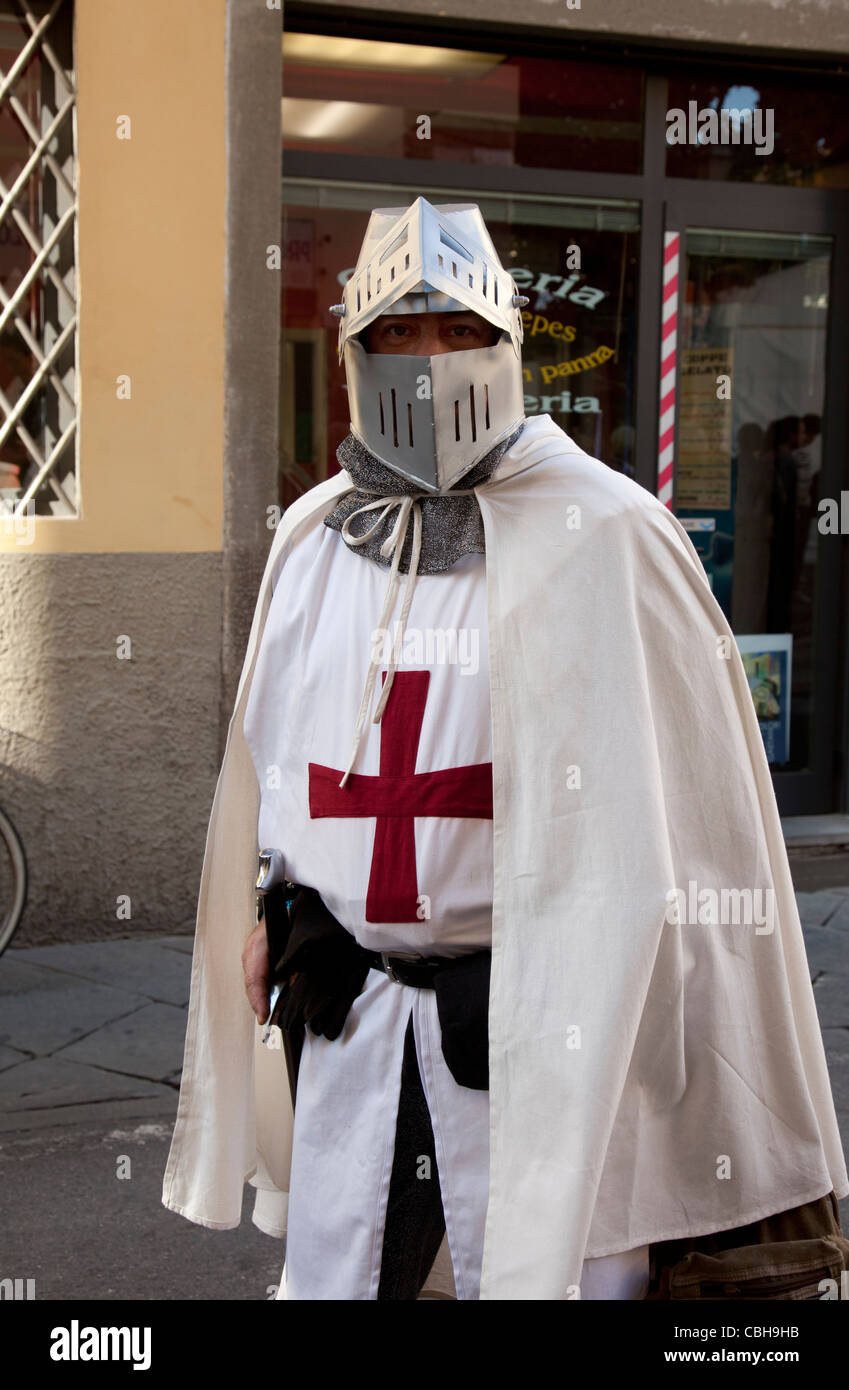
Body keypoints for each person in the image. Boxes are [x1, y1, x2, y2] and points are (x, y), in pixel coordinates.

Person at [162, 197, 848, 1301]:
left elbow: (703, 823)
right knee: (348, 1270)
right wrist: (269, 893)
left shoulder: (609, 531)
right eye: (398, 332)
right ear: (356, 350)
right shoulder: (313, 537)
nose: (429, 364)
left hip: (543, 1030)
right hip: (358, 1016)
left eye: (456, 332)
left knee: (548, 1272)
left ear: (504, 343)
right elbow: (278, 756)